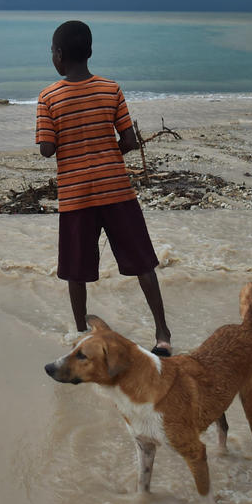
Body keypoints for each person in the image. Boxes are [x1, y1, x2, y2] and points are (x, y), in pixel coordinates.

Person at [36, 20, 172, 356]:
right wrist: (107, 149)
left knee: (75, 270)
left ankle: (82, 333)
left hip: (76, 196)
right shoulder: (111, 89)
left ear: (58, 55)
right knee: (143, 262)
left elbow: (46, 148)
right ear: (90, 52)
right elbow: (128, 138)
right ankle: (162, 333)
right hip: (117, 191)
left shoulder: (48, 97)